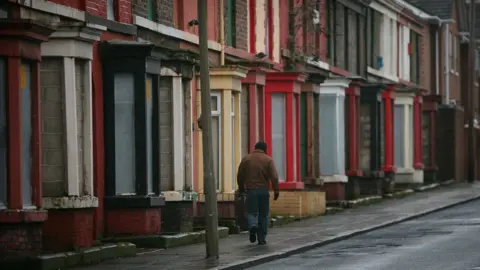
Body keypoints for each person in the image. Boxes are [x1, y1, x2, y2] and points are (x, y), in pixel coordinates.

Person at [237, 141, 279, 245]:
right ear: (265, 149)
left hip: (251, 191)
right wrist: (276, 190)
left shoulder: (246, 159)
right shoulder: (268, 160)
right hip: (264, 191)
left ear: (255, 148)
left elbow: (240, 175)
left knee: (252, 212)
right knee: (263, 214)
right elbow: (274, 177)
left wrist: (241, 188)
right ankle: (261, 238)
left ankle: (252, 227)